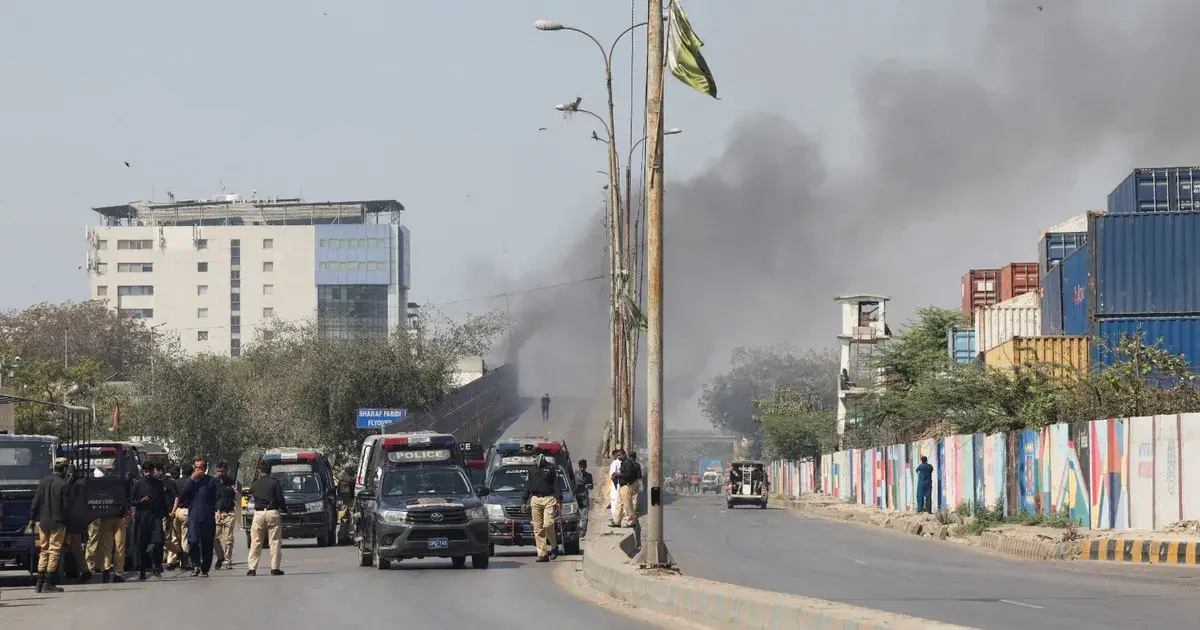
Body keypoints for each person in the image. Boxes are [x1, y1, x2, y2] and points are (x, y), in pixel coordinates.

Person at [28, 457, 69, 593]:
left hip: (43, 523)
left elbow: (36, 501)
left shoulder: (43, 481)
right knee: (54, 551)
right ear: (64, 469)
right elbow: (66, 506)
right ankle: (48, 582)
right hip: (57, 523)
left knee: (44, 550)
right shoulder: (63, 484)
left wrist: (32, 518)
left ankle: (39, 583)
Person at [85, 462, 129, 583]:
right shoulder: (118, 483)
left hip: (106, 518)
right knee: (118, 547)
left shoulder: (95, 486)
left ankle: (106, 570)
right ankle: (117, 573)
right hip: (116, 518)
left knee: (107, 547)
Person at [176, 458, 221, 577]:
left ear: (205, 468)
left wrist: (218, 510)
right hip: (193, 516)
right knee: (193, 541)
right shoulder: (191, 482)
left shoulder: (211, 481)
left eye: (201, 467)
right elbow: (183, 495)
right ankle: (196, 565)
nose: (198, 470)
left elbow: (218, 497)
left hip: (207, 516)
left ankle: (205, 568)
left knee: (207, 542)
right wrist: (191, 479)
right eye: (196, 467)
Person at [246, 461, 287, 576]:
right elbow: (280, 499)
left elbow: (251, 492)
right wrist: (285, 509)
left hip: (258, 513)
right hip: (272, 512)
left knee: (256, 541)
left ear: (259, 471)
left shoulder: (256, 484)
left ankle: (252, 568)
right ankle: (274, 568)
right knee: (274, 541)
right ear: (270, 471)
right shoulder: (275, 483)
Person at [521, 454, 562, 562]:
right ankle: (542, 554)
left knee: (548, 524)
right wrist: (524, 501)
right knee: (537, 528)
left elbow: (556, 484)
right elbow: (527, 485)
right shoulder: (532, 469)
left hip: (549, 499)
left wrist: (559, 500)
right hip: (535, 499)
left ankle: (554, 546)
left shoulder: (551, 469)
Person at [131, 461, 167, 580]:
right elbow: (131, 501)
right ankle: (142, 569)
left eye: (150, 471)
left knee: (158, 541)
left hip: (155, 516)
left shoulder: (159, 484)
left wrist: (167, 515)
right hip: (142, 517)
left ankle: (157, 564)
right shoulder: (138, 484)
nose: (148, 474)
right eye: (146, 472)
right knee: (142, 544)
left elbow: (163, 501)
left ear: (153, 471)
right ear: (143, 472)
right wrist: (140, 502)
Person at [212, 461, 237, 569]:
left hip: (229, 513)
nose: (220, 473)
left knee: (229, 539)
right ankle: (220, 556)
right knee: (214, 538)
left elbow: (235, 497)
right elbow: (214, 499)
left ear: (226, 471)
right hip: (218, 513)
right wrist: (217, 511)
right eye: (218, 471)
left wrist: (236, 491)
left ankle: (228, 560)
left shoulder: (231, 482)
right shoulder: (214, 482)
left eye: (222, 471)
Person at [167, 464, 192, 570]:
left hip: (175, 511)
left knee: (174, 537)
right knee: (185, 537)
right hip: (186, 511)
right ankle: (184, 562)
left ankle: (171, 561)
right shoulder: (190, 483)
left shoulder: (175, 482)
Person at [623, 452, 643, 527]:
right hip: (635, 483)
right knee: (634, 500)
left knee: (627, 501)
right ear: (635, 457)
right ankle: (633, 516)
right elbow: (639, 476)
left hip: (627, 484)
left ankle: (628, 517)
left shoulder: (626, 463)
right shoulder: (637, 465)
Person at [607, 449, 624, 526]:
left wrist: (615, 482)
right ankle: (618, 518)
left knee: (614, 501)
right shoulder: (624, 462)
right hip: (621, 484)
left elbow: (612, 475)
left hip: (616, 485)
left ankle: (615, 519)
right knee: (619, 501)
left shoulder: (615, 463)